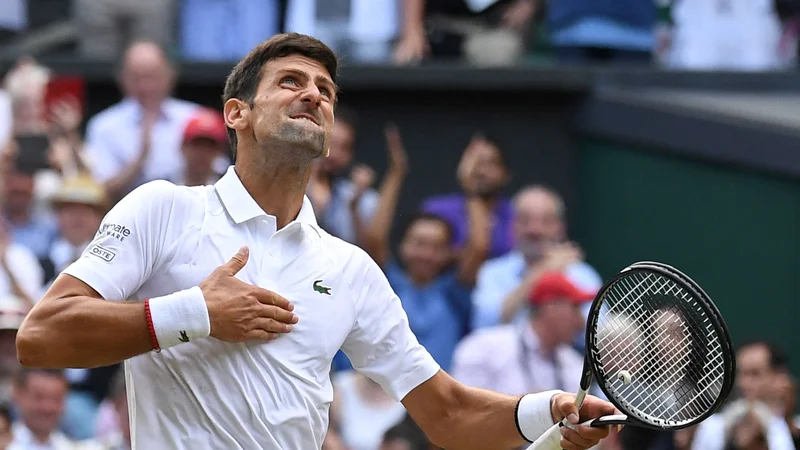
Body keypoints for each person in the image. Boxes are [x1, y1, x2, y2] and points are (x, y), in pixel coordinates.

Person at [17, 33, 618, 450]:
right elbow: (42, 336)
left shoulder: (350, 269)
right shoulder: (164, 208)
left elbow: (449, 414)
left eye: (325, 90)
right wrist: (196, 313)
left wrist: (551, 410)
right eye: (290, 82)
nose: (314, 95)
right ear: (237, 114)